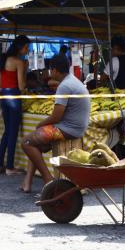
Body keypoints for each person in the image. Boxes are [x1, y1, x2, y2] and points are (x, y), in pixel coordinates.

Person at [20, 54, 90, 192]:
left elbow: (56, 116)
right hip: (75, 127)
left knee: (26, 142)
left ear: (55, 70)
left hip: (68, 129)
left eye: (51, 70)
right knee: (35, 144)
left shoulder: (65, 86)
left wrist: (40, 124)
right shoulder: (73, 81)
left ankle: (48, 179)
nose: (50, 73)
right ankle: (27, 183)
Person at [0, 35, 30, 176]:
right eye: (26, 47)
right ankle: (9, 167)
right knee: (13, 132)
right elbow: (21, 86)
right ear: (19, 47)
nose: (27, 50)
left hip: (3, 96)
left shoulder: (3, 60)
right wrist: (25, 69)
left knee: (7, 131)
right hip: (14, 97)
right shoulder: (19, 62)